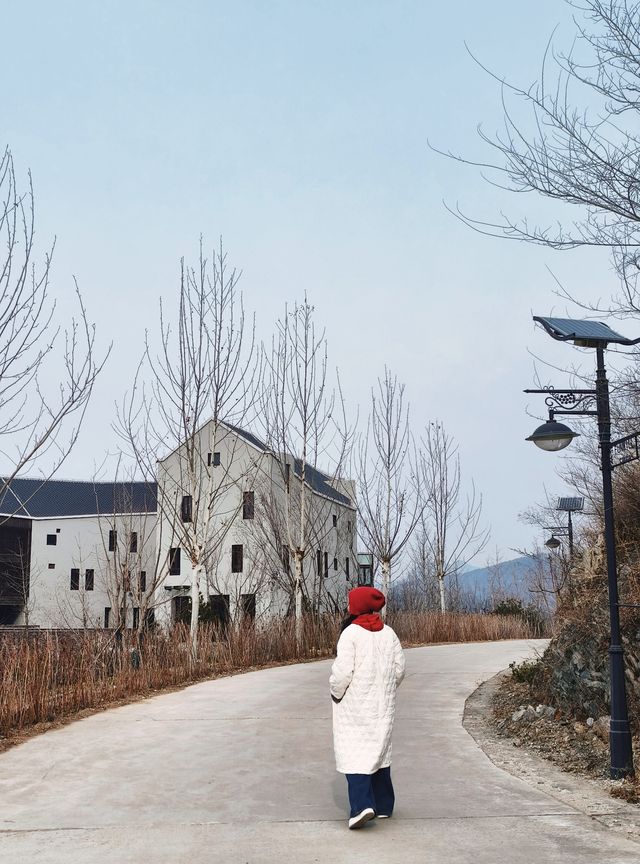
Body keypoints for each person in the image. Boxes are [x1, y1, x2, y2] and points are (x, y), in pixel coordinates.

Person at [329, 586, 405, 829]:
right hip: (382, 702)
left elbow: (342, 673)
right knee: (380, 748)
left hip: (355, 704)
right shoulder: (389, 633)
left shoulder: (351, 634)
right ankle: (383, 805)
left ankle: (362, 806)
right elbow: (399, 669)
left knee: (356, 751)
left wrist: (335, 693)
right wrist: (387, 689)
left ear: (357, 606)